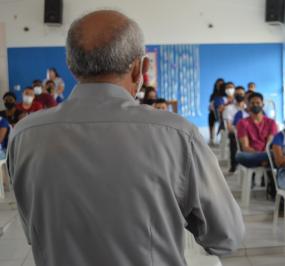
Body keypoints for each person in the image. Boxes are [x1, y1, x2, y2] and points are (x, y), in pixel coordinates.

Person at [7, 10, 244, 266]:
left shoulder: (24, 135)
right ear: (140, 68)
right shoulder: (177, 135)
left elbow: (35, 231)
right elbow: (225, 236)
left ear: (71, 66)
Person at [236, 92, 278, 168]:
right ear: (248, 105)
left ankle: (265, 161)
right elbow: (245, 147)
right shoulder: (242, 123)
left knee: (276, 153)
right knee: (239, 156)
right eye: (252, 103)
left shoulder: (271, 122)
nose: (255, 105)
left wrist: (265, 154)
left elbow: (269, 143)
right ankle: (265, 161)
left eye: (258, 103)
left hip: (267, 152)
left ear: (263, 105)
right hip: (251, 155)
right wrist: (261, 156)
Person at [222, 86, 246, 172]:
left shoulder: (248, 108)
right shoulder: (229, 108)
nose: (239, 95)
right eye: (237, 94)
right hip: (235, 132)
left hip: (248, 133)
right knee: (234, 137)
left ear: (245, 95)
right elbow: (229, 126)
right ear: (234, 95)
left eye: (241, 94)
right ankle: (234, 164)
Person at [208, 78, 225, 145]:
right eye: (218, 84)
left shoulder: (226, 94)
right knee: (210, 116)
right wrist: (211, 107)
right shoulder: (213, 95)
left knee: (223, 118)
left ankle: (223, 138)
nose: (219, 85)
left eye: (221, 84)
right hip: (214, 111)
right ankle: (212, 138)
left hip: (223, 111)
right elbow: (210, 104)